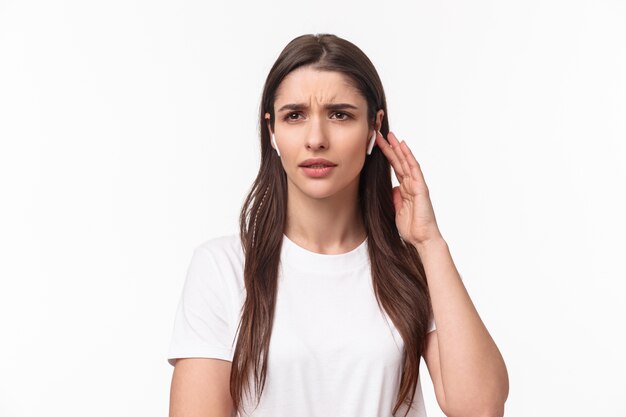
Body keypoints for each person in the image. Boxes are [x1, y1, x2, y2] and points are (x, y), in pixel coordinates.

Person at [167, 33, 509, 417]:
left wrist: (429, 243)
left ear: (373, 128)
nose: (316, 139)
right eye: (294, 115)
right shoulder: (222, 268)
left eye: (340, 114)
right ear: (272, 132)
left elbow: (480, 408)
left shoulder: (411, 263)